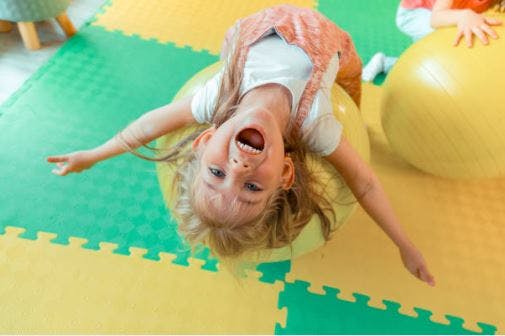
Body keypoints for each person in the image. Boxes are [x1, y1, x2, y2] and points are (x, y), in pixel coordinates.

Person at [47, 5, 435, 286]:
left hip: (255, 28)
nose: (238, 168)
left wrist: (93, 155)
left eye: (216, 173)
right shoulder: (316, 122)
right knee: (352, 92)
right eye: (252, 188)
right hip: (326, 36)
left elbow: (148, 125)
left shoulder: (216, 96)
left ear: (206, 139)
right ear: (285, 172)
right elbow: (364, 182)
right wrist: (405, 245)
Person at [362, 0, 504, 82]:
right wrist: (465, 15)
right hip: (416, 14)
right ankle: (383, 62)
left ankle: (386, 63)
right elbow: (435, 19)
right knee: (446, 48)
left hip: (451, 11)